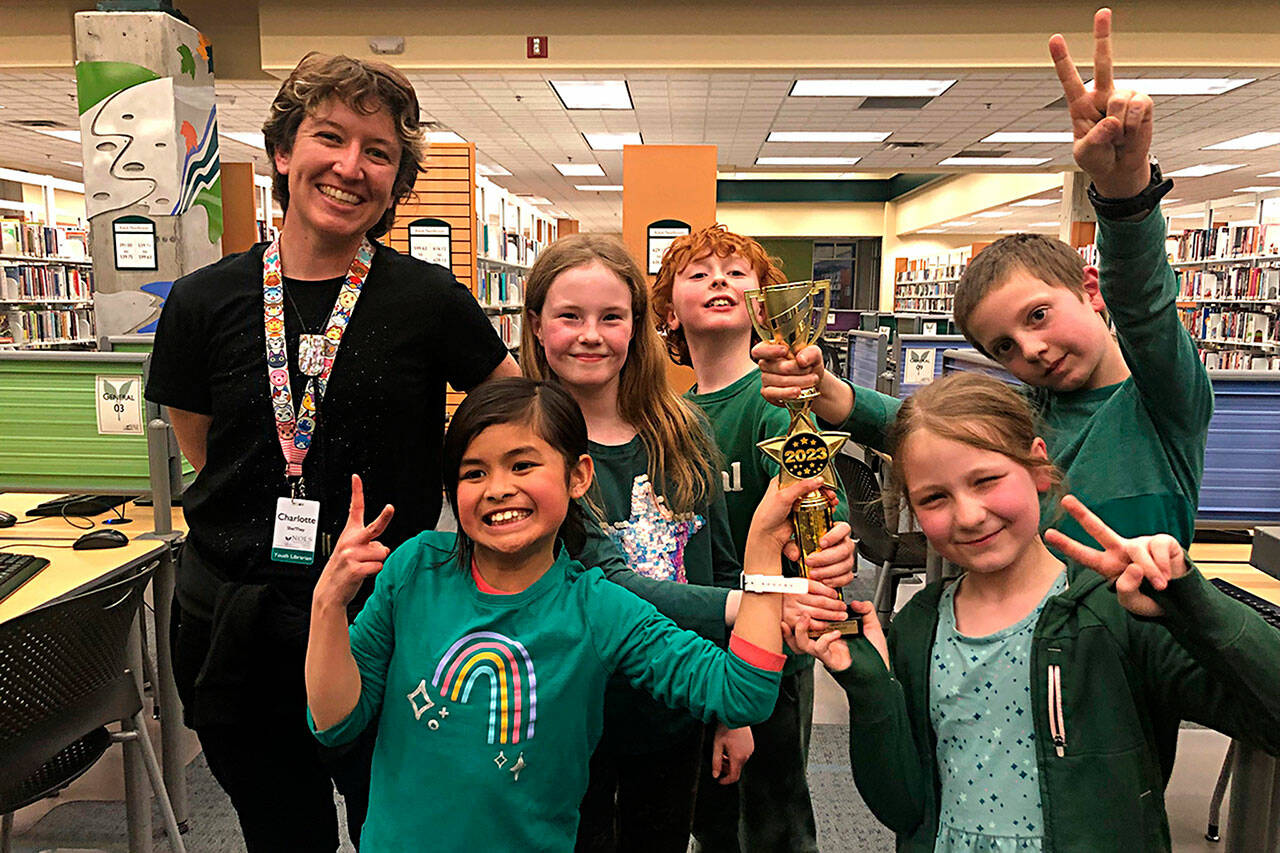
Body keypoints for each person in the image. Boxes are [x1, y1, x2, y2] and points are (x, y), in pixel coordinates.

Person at [144, 54, 522, 851]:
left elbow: (515, 419)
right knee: (282, 835)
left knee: (401, 829)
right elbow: (204, 447)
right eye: (330, 137)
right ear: (284, 151)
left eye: (378, 151)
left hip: (384, 622)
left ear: (396, 179)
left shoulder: (430, 302)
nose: (352, 167)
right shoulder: (201, 301)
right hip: (237, 625)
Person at [754, 7, 1212, 553]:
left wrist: (1123, 191)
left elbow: (1144, 303)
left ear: (1092, 290)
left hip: (1141, 634)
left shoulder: (1161, 399)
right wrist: (829, 392)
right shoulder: (1030, 418)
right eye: (1004, 347)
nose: (1033, 350)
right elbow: (927, 425)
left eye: (1038, 315)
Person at [305, 377, 812, 850]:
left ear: (578, 477)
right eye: (473, 472)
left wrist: (763, 554)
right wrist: (327, 603)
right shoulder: (415, 568)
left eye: (522, 465)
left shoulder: (597, 608)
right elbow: (334, 722)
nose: (497, 487)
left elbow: (741, 691)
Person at [789, 372, 1280, 851]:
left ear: (1039, 468)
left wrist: (1192, 604)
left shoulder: (1116, 615)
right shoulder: (920, 625)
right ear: (912, 509)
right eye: (935, 498)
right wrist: (872, 686)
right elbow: (903, 808)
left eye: (986, 480)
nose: (969, 515)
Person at [520, 233, 855, 850]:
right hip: (568, 712)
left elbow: (722, 565)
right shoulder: (526, 444)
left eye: (611, 317)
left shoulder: (681, 429)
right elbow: (600, 580)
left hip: (679, 704)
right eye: (570, 317)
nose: (591, 334)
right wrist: (754, 606)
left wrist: (730, 705)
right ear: (537, 326)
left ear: (637, 327)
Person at [653, 224, 853, 852]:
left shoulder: (776, 405)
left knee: (770, 820)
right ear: (667, 310)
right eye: (699, 272)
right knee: (711, 819)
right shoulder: (671, 420)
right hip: (699, 641)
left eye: (737, 273)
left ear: (765, 304)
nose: (720, 279)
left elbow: (819, 517)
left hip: (772, 649)